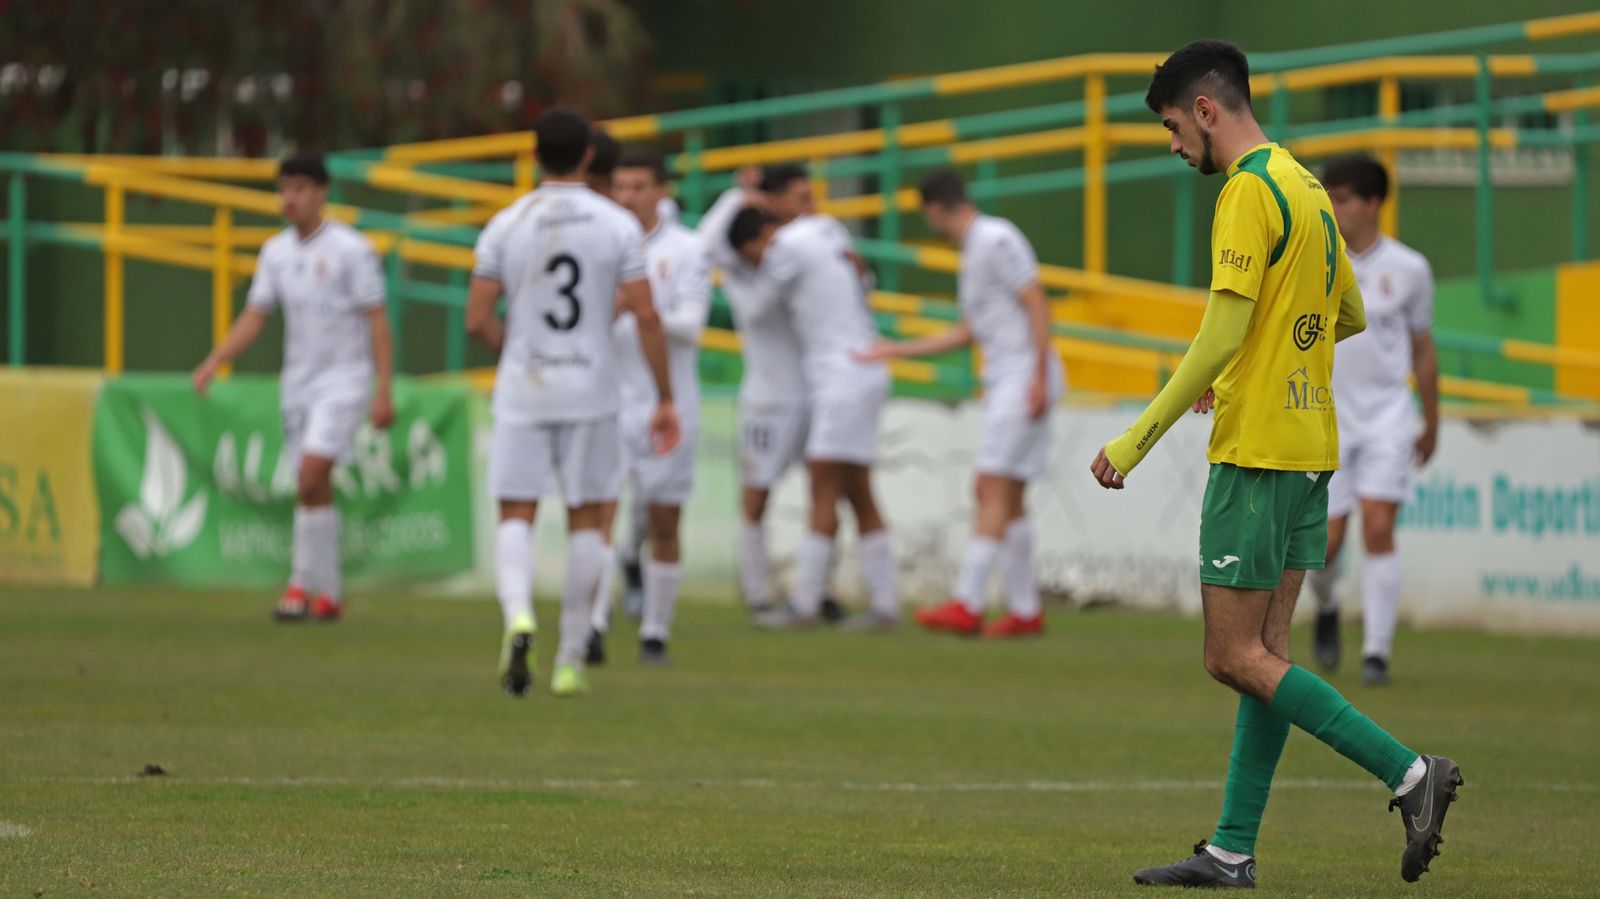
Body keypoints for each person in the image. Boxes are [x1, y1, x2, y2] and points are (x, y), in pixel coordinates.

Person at [1088, 41, 1461, 887]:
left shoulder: (1250, 191)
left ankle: (1410, 773)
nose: (1175, 145)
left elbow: (1222, 328)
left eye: (1174, 127)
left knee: (1232, 657)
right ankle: (1230, 848)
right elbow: (1352, 314)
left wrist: (1133, 440)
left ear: (1207, 111)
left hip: (1257, 454)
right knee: (1268, 653)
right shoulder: (1306, 186)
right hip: (1310, 451)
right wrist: (1263, 363)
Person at [468, 107, 679, 698]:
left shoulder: (507, 223)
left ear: (535, 155)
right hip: (593, 390)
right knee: (588, 520)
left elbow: (476, 316)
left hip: (524, 390)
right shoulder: (616, 225)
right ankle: (569, 658)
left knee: (517, 513)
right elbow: (646, 313)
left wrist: (518, 351)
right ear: (589, 155)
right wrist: (665, 396)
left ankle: (517, 615)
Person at [858, 169, 1063, 638]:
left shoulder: (994, 238)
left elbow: (1035, 300)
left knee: (989, 486)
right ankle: (1026, 610)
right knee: (1007, 495)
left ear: (934, 208)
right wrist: (896, 349)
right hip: (1012, 376)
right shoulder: (975, 248)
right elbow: (970, 330)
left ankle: (968, 602)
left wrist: (1036, 376)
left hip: (1020, 376)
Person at [193, 153, 394, 624]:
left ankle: (299, 585)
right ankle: (332, 594)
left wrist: (383, 389)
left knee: (308, 474)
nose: (291, 198)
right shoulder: (275, 253)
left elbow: (378, 322)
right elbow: (255, 316)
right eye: (285, 188)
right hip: (298, 382)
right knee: (312, 487)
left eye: (301, 188)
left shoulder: (351, 249)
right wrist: (215, 359)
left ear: (322, 192)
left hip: (344, 380)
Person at [1308, 154, 1439, 686]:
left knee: (1380, 527)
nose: (1334, 208)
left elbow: (1424, 350)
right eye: (1329, 197)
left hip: (1387, 417)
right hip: (1326, 418)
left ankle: (1377, 654)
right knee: (1325, 546)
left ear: (1374, 203)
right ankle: (1325, 606)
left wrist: (1433, 420)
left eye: (1342, 198)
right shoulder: (1316, 260)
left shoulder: (1410, 269)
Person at [751, 164, 898, 630]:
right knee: (857, 488)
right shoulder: (832, 230)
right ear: (776, 200)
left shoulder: (789, 244)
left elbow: (755, 305)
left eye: (808, 194)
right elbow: (862, 280)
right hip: (865, 366)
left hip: (841, 375)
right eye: (799, 196)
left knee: (823, 483)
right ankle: (886, 605)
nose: (808, 203)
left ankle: (805, 603)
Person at [587, 147, 711, 667]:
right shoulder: (595, 245)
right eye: (619, 186)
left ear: (662, 191)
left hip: (669, 404)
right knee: (599, 517)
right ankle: (592, 623)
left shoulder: (687, 249)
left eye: (638, 186)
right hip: (608, 403)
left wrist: (639, 306)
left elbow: (692, 325)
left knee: (663, 520)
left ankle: (655, 631)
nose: (627, 196)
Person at [695, 170, 824, 621]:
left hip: (815, 392)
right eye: (797, 197)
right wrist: (737, 196)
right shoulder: (736, 268)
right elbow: (704, 244)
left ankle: (815, 590)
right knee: (757, 495)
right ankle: (756, 595)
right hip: (767, 400)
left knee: (827, 492)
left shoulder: (798, 254)